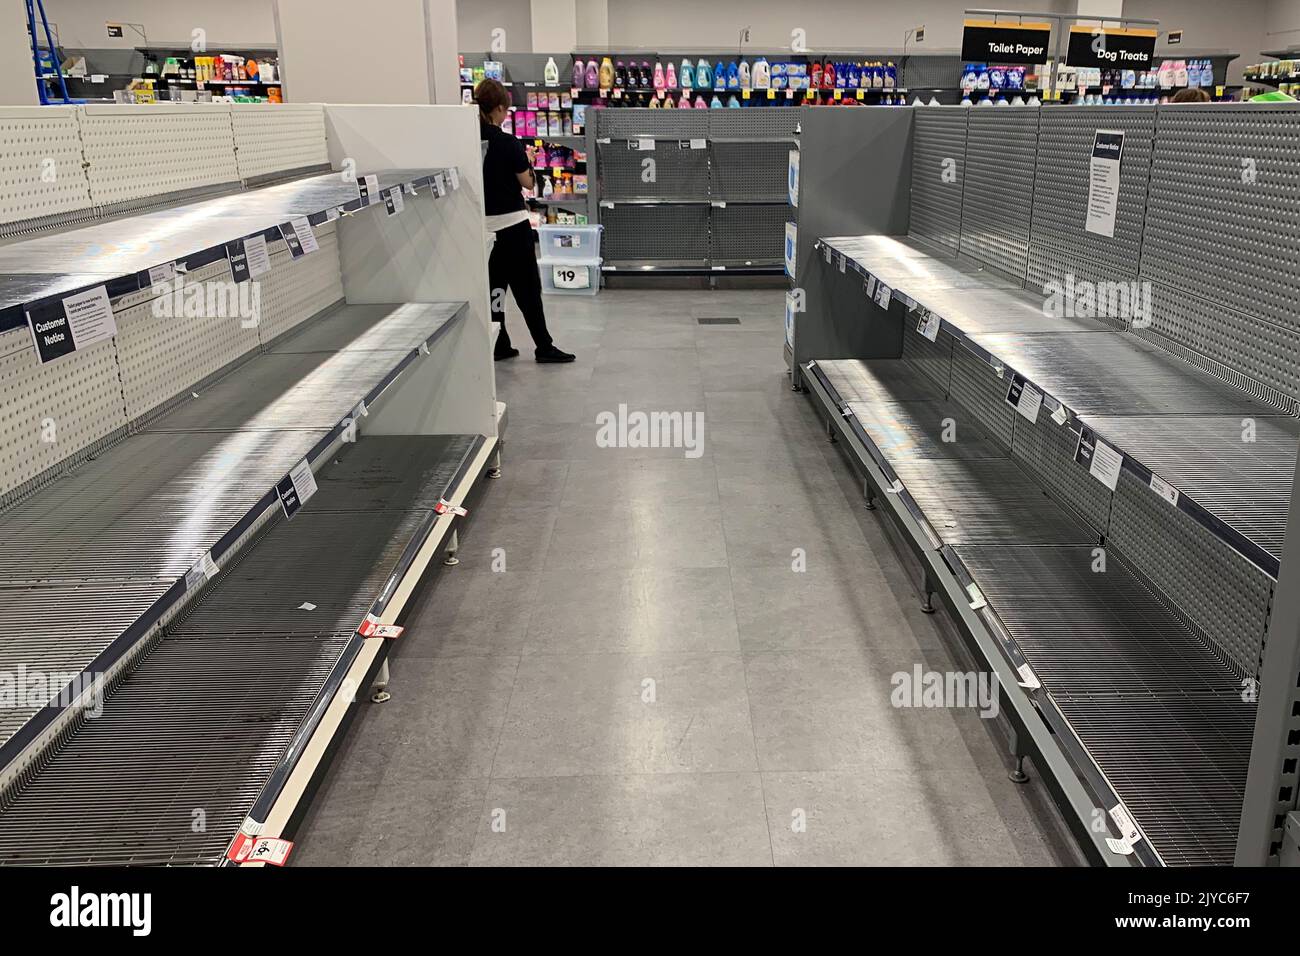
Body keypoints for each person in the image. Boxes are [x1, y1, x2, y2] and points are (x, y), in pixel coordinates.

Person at [475, 79, 575, 363]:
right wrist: (528, 161)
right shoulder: (508, 142)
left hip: (483, 229)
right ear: (498, 108)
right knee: (528, 290)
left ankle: (499, 343)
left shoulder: (466, 141)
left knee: (495, 289)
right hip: (513, 227)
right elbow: (528, 183)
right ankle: (544, 346)